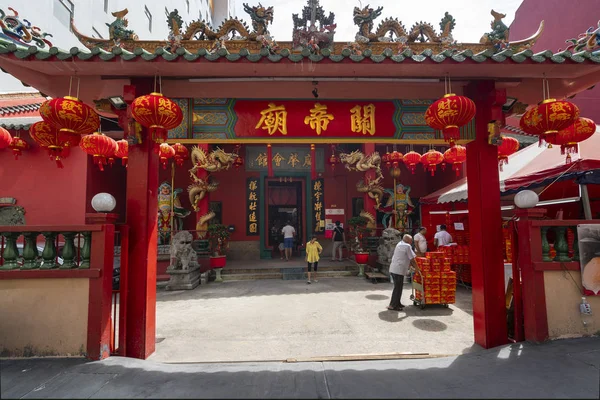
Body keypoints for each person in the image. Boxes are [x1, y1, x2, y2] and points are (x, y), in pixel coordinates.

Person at [388, 234, 418, 311]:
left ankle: (397, 303)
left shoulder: (400, 244)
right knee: (397, 288)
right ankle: (393, 305)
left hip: (395, 269)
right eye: (411, 241)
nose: (411, 242)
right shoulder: (407, 246)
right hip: (398, 269)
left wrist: (410, 266)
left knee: (398, 287)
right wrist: (417, 268)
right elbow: (412, 259)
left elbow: (405, 256)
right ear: (408, 240)